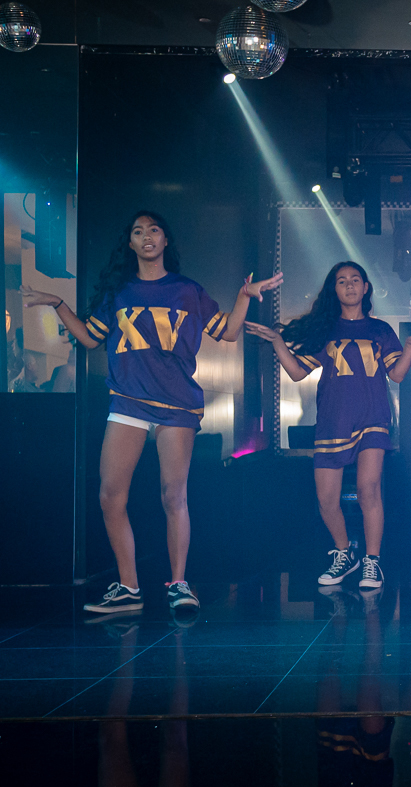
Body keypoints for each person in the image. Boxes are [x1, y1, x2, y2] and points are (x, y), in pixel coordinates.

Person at [21, 210, 282, 613]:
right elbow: (89, 338)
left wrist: (244, 297)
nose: (146, 236)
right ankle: (128, 587)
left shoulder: (187, 290)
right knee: (110, 496)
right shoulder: (119, 292)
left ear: (165, 240)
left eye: (154, 230)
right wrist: (58, 303)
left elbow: (228, 331)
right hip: (128, 400)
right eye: (138, 231)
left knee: (173, 495)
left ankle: (179, 584)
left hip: (176, 403)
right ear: (130, 243)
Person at [246, 262, 411, 590]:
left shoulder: (380, 330)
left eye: (355, 280)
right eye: (342, 281)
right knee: (326, 499)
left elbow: (396, 374)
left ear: (365, 287)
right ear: (334, 290)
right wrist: (277, 341)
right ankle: (345, 553)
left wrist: (408, 349)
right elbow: (297, 372)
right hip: (333, 422)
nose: (349, 285)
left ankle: (372, 562)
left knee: (368, 489)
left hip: (372, 419)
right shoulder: (326, 330)